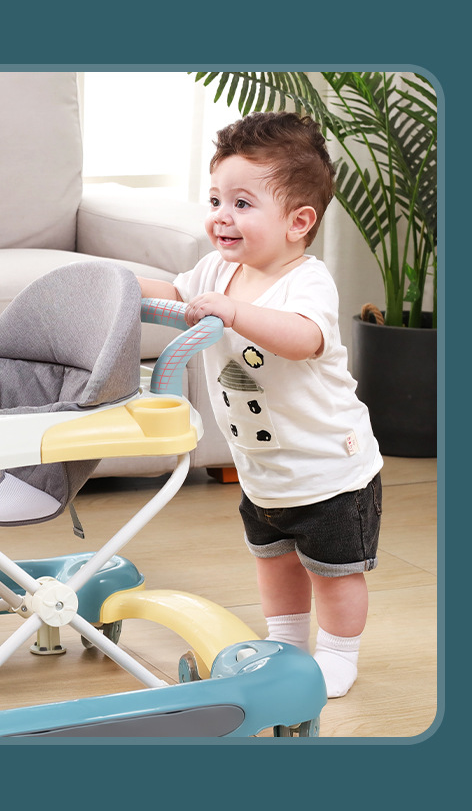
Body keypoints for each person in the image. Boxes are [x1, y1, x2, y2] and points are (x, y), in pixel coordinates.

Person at [139, 112, 382, 697]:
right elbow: (175, 296)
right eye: (216, 199)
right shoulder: (217, 269)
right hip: (263, 469)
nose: (221, 215)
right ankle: (286, 646)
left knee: (334, 572)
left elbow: (303, 338)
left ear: (299, 222)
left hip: (330, 469)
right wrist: (119, 285)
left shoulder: (306, 281)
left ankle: (338, 654)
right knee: (274, 560)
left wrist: (234, 313)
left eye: (242, 203)